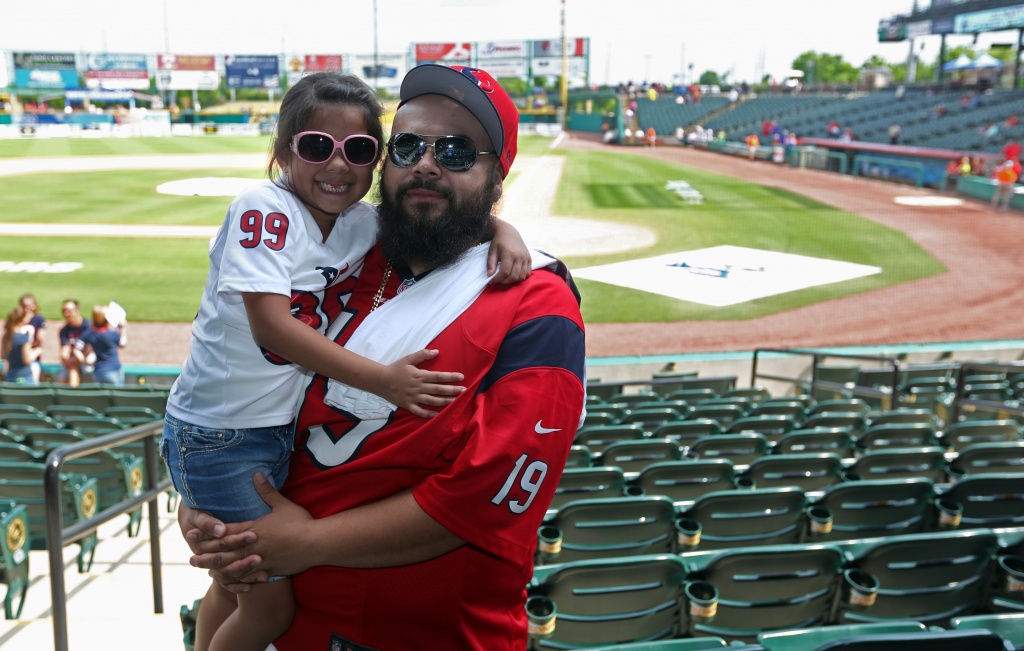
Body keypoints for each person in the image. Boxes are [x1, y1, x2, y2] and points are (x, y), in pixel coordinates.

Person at [181, 63, 587, 651]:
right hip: (282, 617)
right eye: (407, 145)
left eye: (455, 152)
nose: (425, 162)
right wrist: (206, 511)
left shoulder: (536, 304)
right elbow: (243, 393)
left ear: (497, 176)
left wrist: (307, 543)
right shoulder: (341, 260)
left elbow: (488, 495)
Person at [80, 304, 127, 385]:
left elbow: (77, 348)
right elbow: (122, 344)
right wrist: (123, 328)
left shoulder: (90, 333)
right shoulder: (112, 334)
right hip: (113, 371)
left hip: (98, 372)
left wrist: (84, 362)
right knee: (116, 396)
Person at [2, 306, 41, 384]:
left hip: (10, 378)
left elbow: (4, 356)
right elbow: (26, 360)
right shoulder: (23, 338)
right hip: (25, 379)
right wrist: (36, 352)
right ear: (22, 319)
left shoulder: (6, 337)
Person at [58, 299, 90, 387]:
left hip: (88, 356)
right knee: (63, 376)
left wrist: (77, 360)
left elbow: (90, 348)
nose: (66, 314)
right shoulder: (64, 331)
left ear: (77, 310)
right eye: (64, 311)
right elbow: (64, 352)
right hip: (74, 358)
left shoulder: (88, 326)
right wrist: (67, 360)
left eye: (69, 311)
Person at [17, 293, 45, 382]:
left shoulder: (38, 319)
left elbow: (40, 339)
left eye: (29, 306)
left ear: (34, 306)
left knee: (34, 376)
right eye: (24, 306)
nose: (26, 309)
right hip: (17, 357)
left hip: (32, 357)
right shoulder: (16, 320)